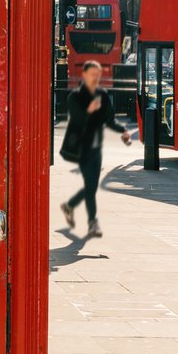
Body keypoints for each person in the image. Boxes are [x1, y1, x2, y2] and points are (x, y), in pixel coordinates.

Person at [59, 60, 131, 239]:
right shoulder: (75, 96)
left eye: (98, 75)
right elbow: (76, 119)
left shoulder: (102, 95)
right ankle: (92, 222)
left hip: (96, 147)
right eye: (93, 74)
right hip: (80, 148)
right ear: (84, 75)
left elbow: (109, 120)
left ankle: (70, 206)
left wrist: (122, 131)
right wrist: (89, 110)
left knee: (91, 186)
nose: (96, 78)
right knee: (91, 186)